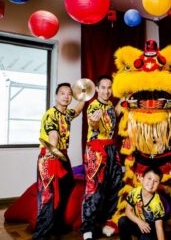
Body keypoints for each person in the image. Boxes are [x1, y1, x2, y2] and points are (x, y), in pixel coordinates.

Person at [33, 82, 85, 240]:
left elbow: (77, 110)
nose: (66, 96)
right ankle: (41, 234)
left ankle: (57, 225)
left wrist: (84, 96)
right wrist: (52, 150)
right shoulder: (51, 114)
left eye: (69, 93)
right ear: (56, 96)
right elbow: (53, 135)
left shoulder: (66, 113)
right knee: (48, 196)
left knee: (68, 184)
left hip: (62, 155)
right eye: (62, 93)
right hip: (50, 155)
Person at [81, 75, 123, 240]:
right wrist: (93, 122)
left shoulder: (110, 104)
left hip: (112, 148)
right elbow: (93, 124)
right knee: (94, 189)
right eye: (103, 87)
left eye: (109, 88)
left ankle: (109, 222)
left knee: (116, 185)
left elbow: (115, 113)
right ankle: (88, 229)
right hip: (97, 150)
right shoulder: (93, 106)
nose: (106, 91)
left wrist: (125, 98)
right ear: (97, 89)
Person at [118, 167, 165, 240]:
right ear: (142, 179)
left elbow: (159, 227)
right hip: (139, 224)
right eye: (149, 178)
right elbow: (127, 211)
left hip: (150, 231)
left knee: (147, 233)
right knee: (122, 221)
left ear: (159, 185)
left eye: (155, 181)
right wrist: (139, 222)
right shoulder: (135, 192)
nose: (151, 183)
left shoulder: (157, 204)